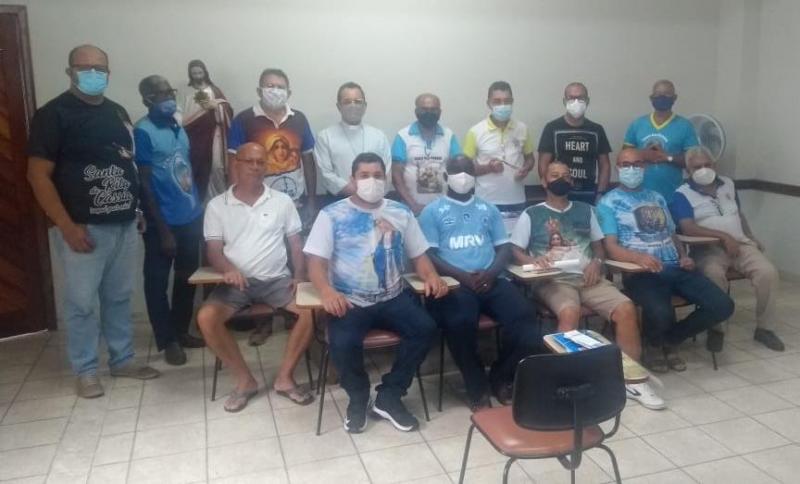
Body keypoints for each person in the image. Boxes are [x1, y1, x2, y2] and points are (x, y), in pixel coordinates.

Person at [26, 44, 159, 398]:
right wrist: (66, 225)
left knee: (119, 297)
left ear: (109, 73)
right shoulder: (53, 115)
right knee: (82, 303)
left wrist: (136, 210)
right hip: (82, 227)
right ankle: (86, 370)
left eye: (100, 68)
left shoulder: (117, 112)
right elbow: (38, 175)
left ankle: (122, 360)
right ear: (69, 71)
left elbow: (127, 163)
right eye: (85, 67)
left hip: (124, 223)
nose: (93, 74)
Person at [305, 152, 449, 433]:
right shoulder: (331, 214)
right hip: (350, 300)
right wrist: (326, 291)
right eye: (364, 175)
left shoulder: (401, 212)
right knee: (342, 342)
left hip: (393, 296)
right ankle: (358, 398)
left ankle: (390, 396)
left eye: (377, 175)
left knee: (425, 329)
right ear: (352, 179)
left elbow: (419, 255)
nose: (371, 181)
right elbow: (316, 263)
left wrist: (431, 275)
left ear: (386, 178)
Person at [511, 160, 664, 410]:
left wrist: (597, 262)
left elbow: (599, 247)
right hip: (553, 280)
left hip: (589, 278)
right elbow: (515, 250)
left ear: (571, 181)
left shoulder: (585, 210)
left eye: (566, 175)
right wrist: (533, 261)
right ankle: (564, 385)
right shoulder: (531, 214)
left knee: (626, 308)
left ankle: (632, 381)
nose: (561, 179)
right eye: (555, 175)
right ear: (544, 181)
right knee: (569, 312)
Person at [196, 142, 315, 412]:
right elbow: (213, 250)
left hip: (277, 281)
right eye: (249, 161)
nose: (255, 167)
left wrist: (299, 275)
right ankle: (244, 381)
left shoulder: (282, 201)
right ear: (236, 164)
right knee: (206, 318)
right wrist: (228, 270)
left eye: (261, 162)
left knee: (311, 312)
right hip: (236, 284)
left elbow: (296, 244)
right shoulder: (217, 205)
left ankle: (285, 378)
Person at [419, 155, 541, 409]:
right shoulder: (431, 212)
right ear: (446, 176)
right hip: (455, 283)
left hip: (491, 278)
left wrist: (491, 273)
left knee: (526, 317)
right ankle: (475, 385)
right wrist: (462, 277)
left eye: (468, 171)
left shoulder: (488, 209)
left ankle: (501, 376)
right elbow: (428, 255)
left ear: (474, 176)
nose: (463, 176)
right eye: (456, 171)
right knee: (459, 322)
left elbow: (504, 247)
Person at [597, 148, 734, 373]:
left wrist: (683, 256)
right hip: (641, 273)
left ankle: (669, 339)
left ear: (645, 167)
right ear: (618, 167)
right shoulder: (608, 203)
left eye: (637, 164)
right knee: (660, 311)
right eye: (626, 165)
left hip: (676, 267)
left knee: (723, 305)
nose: (632, 169)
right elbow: (610, 247)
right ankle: (656, 343)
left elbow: (671, 234)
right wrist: (639, 258)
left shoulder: (657, 197)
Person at [670, 146, 784, 351]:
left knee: (768, 273)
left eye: (707, 164)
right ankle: (717, 329)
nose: (704, 170)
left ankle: (765, 329)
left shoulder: (728, 184)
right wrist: (724, 237)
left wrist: (751, 237)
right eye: (697, 167)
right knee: (713, 275)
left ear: (715, 165)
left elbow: (738, 214)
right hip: (707, 249)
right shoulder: (682, 193)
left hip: (740, 245)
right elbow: (688, 227)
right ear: (688, 170)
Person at [134, 75, 206, 366]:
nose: (168, 97)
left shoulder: (177, 125)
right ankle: (167, 341)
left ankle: (181, 330)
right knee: (156, 282)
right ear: (147, 99)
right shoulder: (143, 131)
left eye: (170, 92)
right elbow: (144, 182)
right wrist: (163, 230)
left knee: (187, 277)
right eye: (161, 93)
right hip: (161, 222)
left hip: (189, 216)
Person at [227, 68, 317, 222]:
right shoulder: (243, 120)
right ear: (259, 91)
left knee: (296, 237)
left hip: (296, 203)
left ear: (289, 93)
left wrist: (312, 201)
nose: (275, 91)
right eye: (270, 86)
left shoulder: (299, 119)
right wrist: (238, 204)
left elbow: (308, 161)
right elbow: (233, 165)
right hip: (257, 206)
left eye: (280, 87)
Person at [463, 81, 535, 224]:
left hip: (516, 200)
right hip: (485, 201)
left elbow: (530, 159)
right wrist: (488, 168)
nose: (502, 105)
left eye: (507, 101)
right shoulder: (475, 131)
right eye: (497, 101)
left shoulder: (522, 128)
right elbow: (466, 168)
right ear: (488, 103)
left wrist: (526, 169)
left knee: (515, 238)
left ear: (512, 102)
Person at [314, 82, 391, 205]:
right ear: (339, 106)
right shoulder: (325, 136)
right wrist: (357, 191)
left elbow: (386, 170)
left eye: (358, 101)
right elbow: (326, 174)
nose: (353, 105)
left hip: (375, 200)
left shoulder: (378, 136)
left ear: (365, 106)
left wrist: (373, 192)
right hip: (340, 201)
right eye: (347, 102)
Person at [623, 79, 699, 200]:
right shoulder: (637, 124)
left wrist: (668, 157)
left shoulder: (685, 126)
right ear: (651, 98)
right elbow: (623, 157)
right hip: (639, 195)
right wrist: (643, 155)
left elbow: (694, 161)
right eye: (658, 95)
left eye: (667, 95)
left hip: (672, 195)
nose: (662, 98)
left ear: (674, 98)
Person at [537, 82, 612, 204]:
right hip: (559, 195)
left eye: (581, 98)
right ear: (564, 101)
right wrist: (549, 190)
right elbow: (543, 163)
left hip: (589, 195)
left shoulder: (597, 130)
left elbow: (605, 165)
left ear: (587, 101)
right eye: (571, 98)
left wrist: (600, 193)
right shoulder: (552, 128)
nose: (576, 102)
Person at [392, 93, 461, 215]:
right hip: (411, 209)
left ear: (440, 112)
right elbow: (396, 175)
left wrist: (452, 202)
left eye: (433, 110)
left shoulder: (449, 136)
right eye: (424, 109)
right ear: (416, 111)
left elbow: (458, 171)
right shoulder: (403, 136)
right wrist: (413, 205)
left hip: (443, 209)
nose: (429, 113)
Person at [179, 60, 233, 201]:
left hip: (214, 136)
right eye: (194, 73)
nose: (197, 76)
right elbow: (182, 113)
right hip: (193, 135)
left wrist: (218, 107)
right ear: (190, 74)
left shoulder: (214, 90)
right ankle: (200, 200)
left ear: (205, 72)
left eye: (200, 72)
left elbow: (227, 109)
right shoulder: (186, 92)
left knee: (216, 166)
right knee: (195, 165)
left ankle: (218, 198)